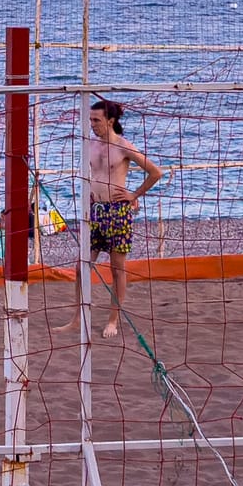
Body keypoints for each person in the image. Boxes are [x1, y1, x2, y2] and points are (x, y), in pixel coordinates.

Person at [80, 98, 167, 337]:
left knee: (117, 270)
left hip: (117, 213)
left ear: (111, 121)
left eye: (97, 120)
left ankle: (113, 321)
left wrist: (134, 194)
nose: (93, 125)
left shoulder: (123, 147)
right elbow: (92, 175)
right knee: (82, 265)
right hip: (96, 211)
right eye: (91, 120)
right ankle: (77, 316)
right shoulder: (90, 144)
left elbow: (156, 172)